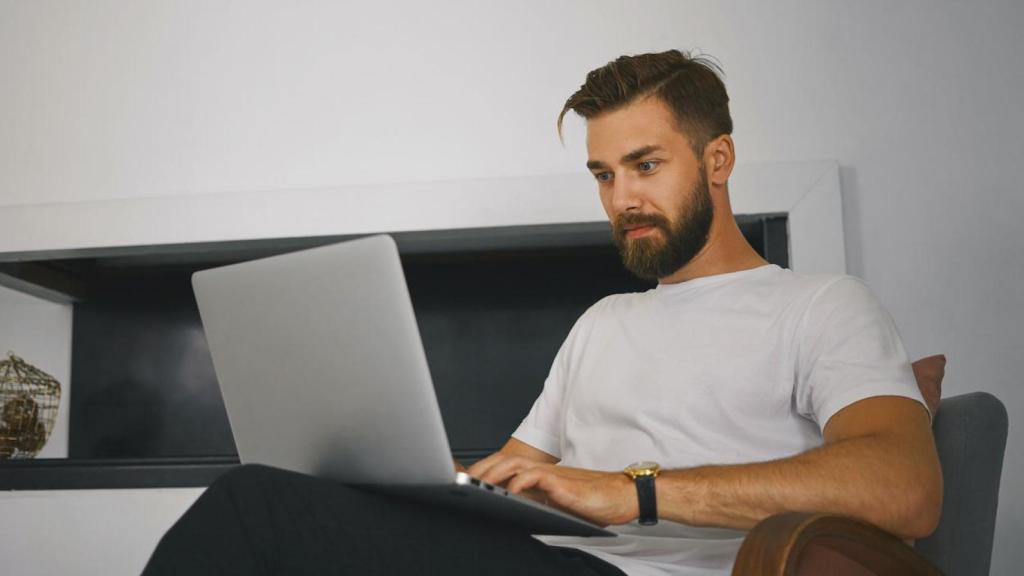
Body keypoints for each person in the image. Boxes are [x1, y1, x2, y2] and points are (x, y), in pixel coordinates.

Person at [143, 49, 942, 576]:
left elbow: (906, 486)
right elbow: (521, 475)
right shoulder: (602, 322)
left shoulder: (820, 305)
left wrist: (635, 491)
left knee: (259, 512)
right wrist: (432, 484)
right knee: (283, 505)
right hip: (555, 559)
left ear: (718, 159)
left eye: (645, 165)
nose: (622, 198)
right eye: (602, 174)